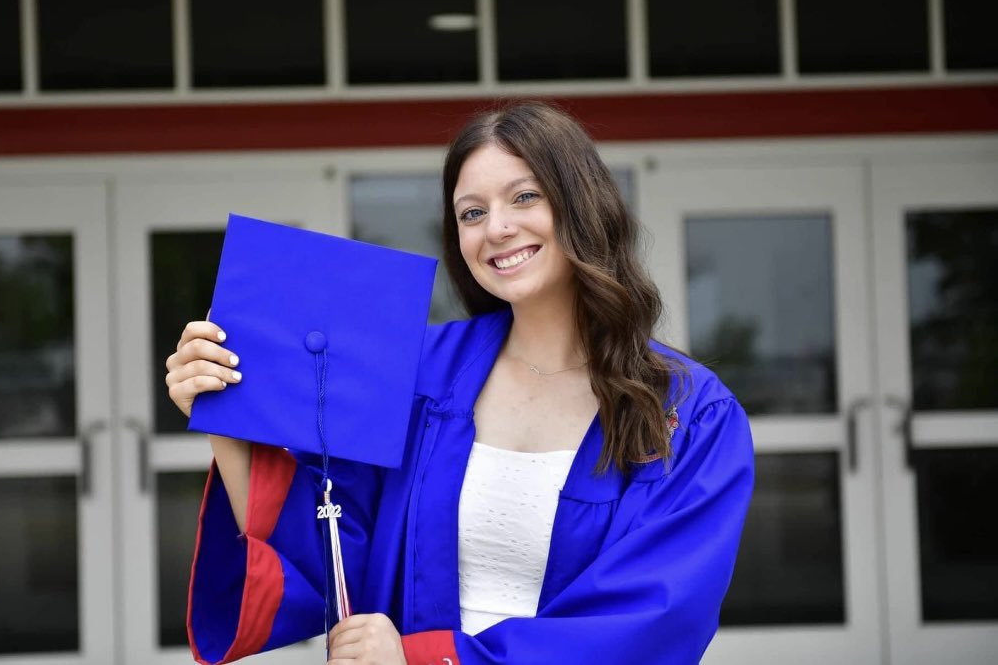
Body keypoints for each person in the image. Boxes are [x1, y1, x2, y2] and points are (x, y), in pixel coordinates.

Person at [165, 101, 755, 665]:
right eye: (471, 213)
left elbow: (651, 621)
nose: (496, 228)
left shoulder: (687, 412)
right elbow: (333, 549)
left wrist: (431, 657)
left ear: (581, 206)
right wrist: (227, 416)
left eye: (525, 197)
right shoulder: (420, 374)